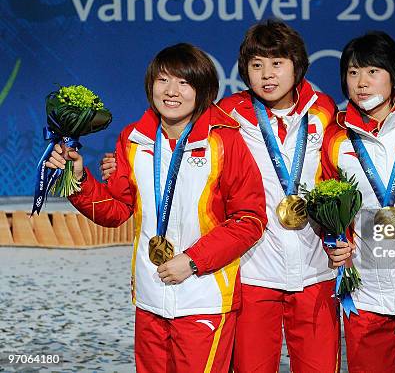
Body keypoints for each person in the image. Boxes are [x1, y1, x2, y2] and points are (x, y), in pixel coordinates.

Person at [101, 20, 340, 372]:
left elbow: (338, 179)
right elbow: (170, 138)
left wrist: (341, 235)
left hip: (316, 268)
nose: (267, 75)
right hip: (253, 271)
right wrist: (119, 165)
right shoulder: (227, 115)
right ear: (244, 70)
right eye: (257, 65)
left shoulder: (324, 110)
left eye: (277, 64)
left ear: (298, 66)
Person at [46, 43, 267, 373]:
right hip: (150, 299)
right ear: (151, 86)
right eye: (163, 80)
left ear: (202, 89)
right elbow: (117, 210)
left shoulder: (224, 140)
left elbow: (249, 219)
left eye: (184, 82)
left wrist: (193, 261)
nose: (172, 91)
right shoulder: (133, 140)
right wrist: (79, 179)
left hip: (204, 298)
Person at [320, 31, 395, 372]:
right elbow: (328, 211)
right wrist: (334, 241)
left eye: (373, 71)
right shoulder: (336, 140)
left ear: (393, 75)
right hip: (366, 292)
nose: (361, 82)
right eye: (353, 72)